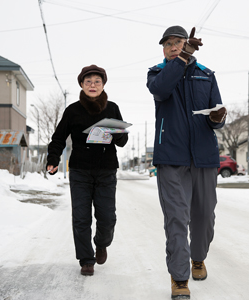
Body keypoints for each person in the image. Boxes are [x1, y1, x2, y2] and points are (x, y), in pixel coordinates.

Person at [146, 26, 227, 299]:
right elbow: (161, 90)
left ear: (187, 43)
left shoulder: (206, 75)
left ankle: (198, 257)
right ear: (164, 49)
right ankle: (179, 278)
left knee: (204, 217)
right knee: (177, 219)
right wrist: (181, 59)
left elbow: (217, 112)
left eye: (178, 42)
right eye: (168, 44)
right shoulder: (157, 73)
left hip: (204, 157)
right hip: (170, 157)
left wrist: (218, 119)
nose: (173, 47)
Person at [46, 64, 128, 276]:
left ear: (103, 85)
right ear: (81, 85)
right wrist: (53, 158)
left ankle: (101, 244)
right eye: (88, 82)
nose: (93, 85)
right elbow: (58, 138)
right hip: (80, 171)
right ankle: (86, 259)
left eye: (97, 82)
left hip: (106, 170)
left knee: (107, 217)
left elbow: (123, 141)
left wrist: (115, 132)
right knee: (81, 217)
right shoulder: (72, 110)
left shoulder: (112, 108)